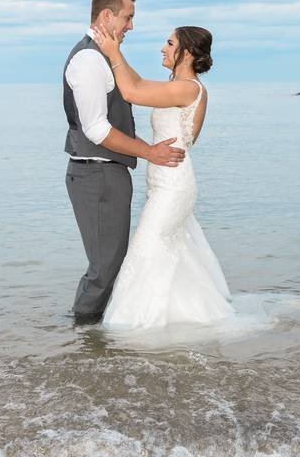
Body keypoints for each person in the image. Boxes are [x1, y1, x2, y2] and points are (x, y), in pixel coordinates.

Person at [92, 24, 234, 329]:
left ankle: (137, 327)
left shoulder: (189, 89)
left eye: (170, 43)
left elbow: (131, 92)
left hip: (174, 185)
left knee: (147, 248)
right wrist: (116, 51)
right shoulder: (178, 86)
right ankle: (180, 318)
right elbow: (139, 82)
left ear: (188, 53)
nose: (162, 48)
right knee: (165, 250)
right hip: (162, 184)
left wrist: (113, 51)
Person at [63, 0, 186, 325]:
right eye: (128, 18)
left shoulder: (103, 56)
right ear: (107, 16)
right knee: (105, 266)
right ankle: (85, 338)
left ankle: (98, 334)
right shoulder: (88, 59)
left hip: (106, 173)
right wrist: (149, 152)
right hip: (95, 174)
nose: (131, 26)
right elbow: (96, 129)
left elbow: (128, 96)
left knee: (112, 261)